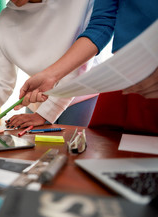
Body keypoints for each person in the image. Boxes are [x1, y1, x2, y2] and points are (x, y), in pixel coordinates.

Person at [19, 0, 158, 134]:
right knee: (107, 146)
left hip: (149, 72)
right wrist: (50, 75)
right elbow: (101, 25)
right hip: (126, 76)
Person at [0, 0, 97, 129]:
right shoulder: (4, 22)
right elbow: (2, 81)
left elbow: (82, 62)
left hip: (82, 95)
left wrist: (44, 114)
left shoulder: (77, 4)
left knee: (75, 150)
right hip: (37, 101)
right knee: (36, 150)